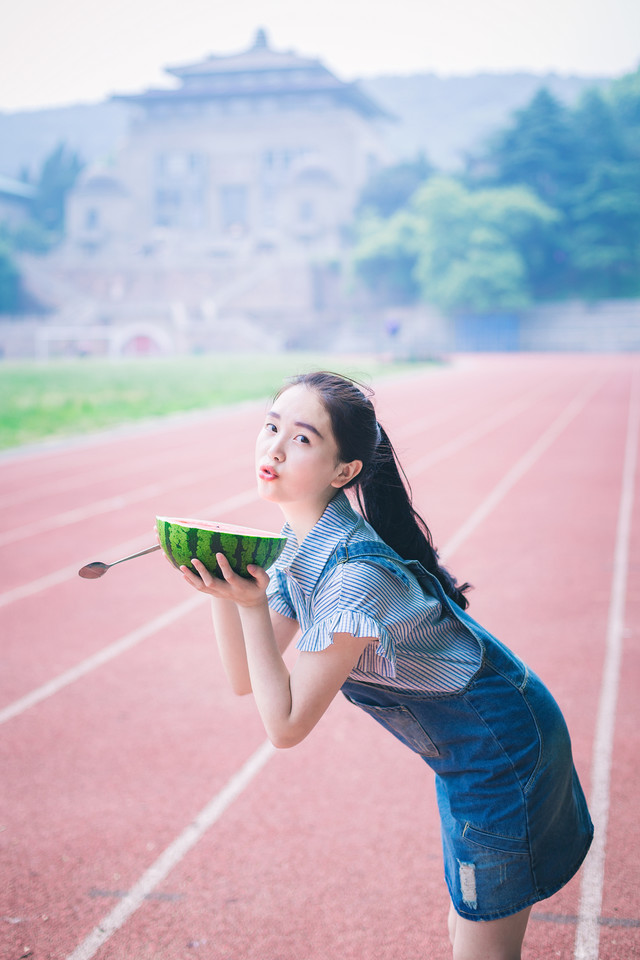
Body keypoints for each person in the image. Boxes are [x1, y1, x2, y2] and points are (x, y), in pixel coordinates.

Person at [178, 371, 593, 960]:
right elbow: (246, 678)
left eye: (301, 439)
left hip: (504, 747)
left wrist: (247, 605)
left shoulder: (354, 578)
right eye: (270, 427)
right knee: (467, 930)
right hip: (469, 751)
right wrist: (225, 592)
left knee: (484, 947)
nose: (272, 447)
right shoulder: (303, 541)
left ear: (344, 471)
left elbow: (286, 726)